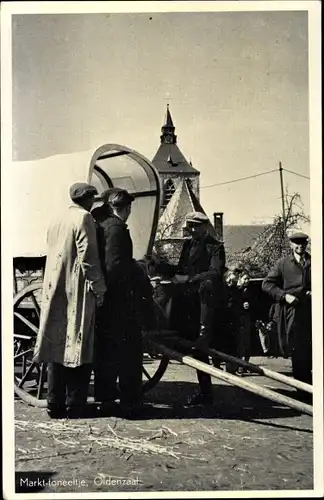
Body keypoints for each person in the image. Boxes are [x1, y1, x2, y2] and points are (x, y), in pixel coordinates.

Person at [34, 182, 107, 419]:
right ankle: (76, 405)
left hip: (55, 288)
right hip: (76, 289)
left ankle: (54, 404)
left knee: (56, 345)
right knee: (80, 343)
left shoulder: (56, 219)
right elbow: (88, 257)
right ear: (87, 200)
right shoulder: (84, 218)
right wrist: (99, 288)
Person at [93, 187, 154, 418]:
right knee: (130, 352)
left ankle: (107, 399)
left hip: (106, 301)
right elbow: (117, 266)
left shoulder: (103, 224)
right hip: (120, 302)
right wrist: (138, 279)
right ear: (126, 208)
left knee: (107, 352)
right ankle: (130, 403)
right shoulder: (117, 228)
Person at [172, 211, 226, 406]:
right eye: (190, 226)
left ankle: (206, 393)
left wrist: (189, 279)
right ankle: (205, 392)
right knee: (196, 349)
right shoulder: (187, 245)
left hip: (206, 304)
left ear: (205, 227)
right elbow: (180, 269)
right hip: (189, 304)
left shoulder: (215, 247)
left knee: (202, 347)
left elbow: (215, 273)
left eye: (196, 226)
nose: (192, 230)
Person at [262, 231, 312, 401]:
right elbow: (267, 284)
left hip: (311, 310)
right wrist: (284, 296)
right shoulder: (283, 264)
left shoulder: (314, 262)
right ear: (291, 245)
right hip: (292, 312)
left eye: (303, 243)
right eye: (296, 243)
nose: (300, 246)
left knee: (312, 350)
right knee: (298, 350)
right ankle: (303, 391)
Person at [236, 272, 253, 374]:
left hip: (247, 319)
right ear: (240, 278)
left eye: (248, 279)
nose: (247, 281)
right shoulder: (237, 290)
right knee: (240, 343)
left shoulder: (251, 291)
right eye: (245, 279)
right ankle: (240, 365)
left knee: (247, 343)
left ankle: (245, 364)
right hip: (239, 320)